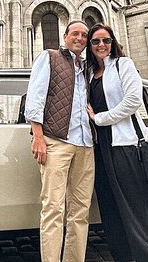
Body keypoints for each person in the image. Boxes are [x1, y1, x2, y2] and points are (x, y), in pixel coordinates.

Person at [85, 23, 148, 262]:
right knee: (111, 210)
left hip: (124, 146)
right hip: (99, 148)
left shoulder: (123, 65)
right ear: (90, 45)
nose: (101, 45)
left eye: (106, 40)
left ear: (113, 42)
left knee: (135, 209)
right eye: (96, 41)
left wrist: (99, 119)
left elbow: (132, 101)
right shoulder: (89, 73)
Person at [24, 20, 95, 262]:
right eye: (75, 33)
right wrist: (38, 137)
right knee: (53, 208)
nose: (80, 38)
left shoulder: (88, 68)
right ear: (65, 36)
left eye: (84, 35)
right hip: (57, 141)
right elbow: (35, 95)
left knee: (80, 212)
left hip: (85, 144)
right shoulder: (50, 57)